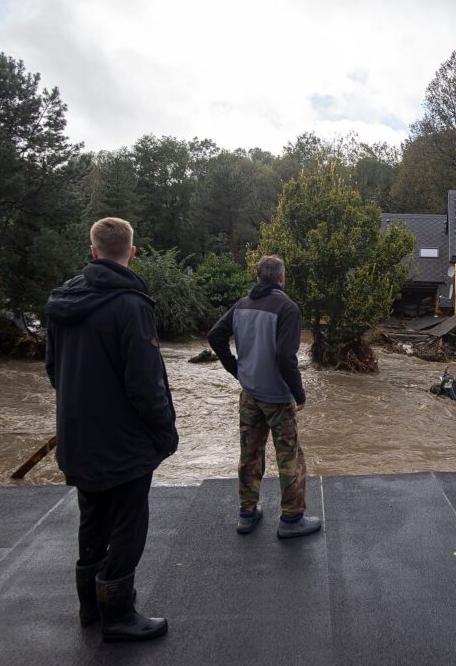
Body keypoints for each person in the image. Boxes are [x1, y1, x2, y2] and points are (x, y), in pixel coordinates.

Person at [45, 217, 177, 643]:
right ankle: (118, 615)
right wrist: (164, 434)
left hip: (78, 437)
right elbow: (145, 384)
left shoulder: (62, 302)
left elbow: (52, 370)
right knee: (128, 525)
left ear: (93, 249)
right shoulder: (131, 304)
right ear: (132, 252)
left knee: (92, 518)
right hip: (124, 444)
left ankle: (89, 608)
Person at [207, 255, 321, 539]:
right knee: (290, 457)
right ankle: (292, 519)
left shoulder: (242, 305)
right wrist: (299, 392)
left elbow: (215, 336)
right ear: (281, 278)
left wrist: (237, 370)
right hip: (278, 398)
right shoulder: (288, 308)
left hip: (250, 394)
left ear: (258, 278)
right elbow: (285, 357)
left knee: (250, 452)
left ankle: (247, 514)